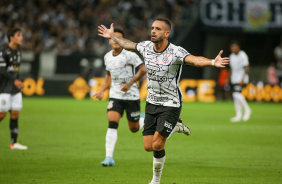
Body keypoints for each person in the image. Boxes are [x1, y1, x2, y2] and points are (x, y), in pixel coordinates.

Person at [98, 18, 229, 184]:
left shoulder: (176, 52)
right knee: (148, 146)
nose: (153, 31)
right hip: (152, 102)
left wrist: (212, 62)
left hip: (171, 103)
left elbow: (195, 60)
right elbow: (128, 44)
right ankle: (175, 126)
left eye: (158, 29)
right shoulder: (145, 47)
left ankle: (155, 180)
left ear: (167, 33)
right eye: (152, 28)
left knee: (158, 144)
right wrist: (113, 36)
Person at [0, 28, 27, 150]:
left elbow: (16, 71)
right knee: (2, 114)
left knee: (15, 113)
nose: (21, 37)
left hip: (15, 89)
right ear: (11, 37)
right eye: (19, 35)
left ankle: (13, 143)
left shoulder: (19, 52)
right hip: (4, 88)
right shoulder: (3, 51)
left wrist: (18, 82)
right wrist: (14, 80)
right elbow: (1, 70)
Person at [229, 41, 251, 122]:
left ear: (238, 47)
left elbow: (247, 67)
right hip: (234, 78)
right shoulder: (231, 56)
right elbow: (231, 68)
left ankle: (247, 109)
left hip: (241, 78)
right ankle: (238, 115)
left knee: (236, 94)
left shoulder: (242, 55)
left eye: (235, 47)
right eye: (232, 47)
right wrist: (229, 77)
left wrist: (243, 79)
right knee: (235, 97)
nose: (233, 49)